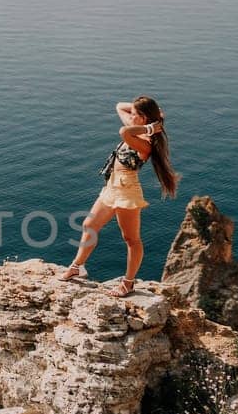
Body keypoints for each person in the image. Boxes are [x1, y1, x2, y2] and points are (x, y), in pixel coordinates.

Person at [60, 96, 180, 297]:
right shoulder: (136, 126)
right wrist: (156, 115)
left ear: (142, 119)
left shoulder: (145, 142)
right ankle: (77, 267)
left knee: (131, 239)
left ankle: (128, 283)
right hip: (112, 187)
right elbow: (119, 106)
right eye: (132, 114)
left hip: (127, 191)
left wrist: (151, 127)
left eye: (134, 115)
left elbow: (124, 132)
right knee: (90, 226)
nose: (129, 116)